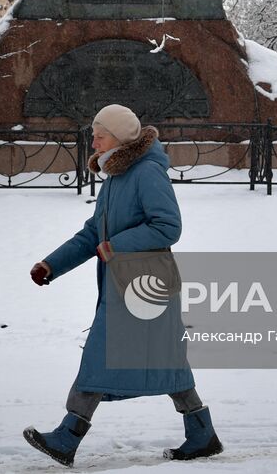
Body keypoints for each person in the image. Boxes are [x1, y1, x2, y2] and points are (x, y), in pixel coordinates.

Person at [24, 103, 224, 467]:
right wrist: (51, 264)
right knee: (164, 359)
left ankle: (68, 436)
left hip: (146, 282)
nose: (94, 140)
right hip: (126, 283)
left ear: (117, 137)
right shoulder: (116, 176)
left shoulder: (146, 172)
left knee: (103, 351)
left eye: (99, 134)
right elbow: (92, 234)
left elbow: (168, 227)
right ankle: (201, 433)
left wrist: (118, 245)